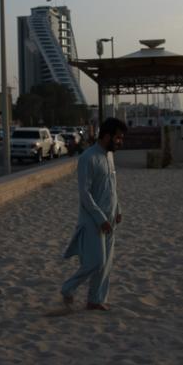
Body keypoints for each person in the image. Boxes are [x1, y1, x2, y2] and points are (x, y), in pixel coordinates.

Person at [60, 117, 127, 311]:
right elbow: (85, 194)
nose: (120, 142)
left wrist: (118, 210)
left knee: (106, 264)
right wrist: (100, 218)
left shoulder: (110, 156)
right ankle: (67, 288)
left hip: (110, 219)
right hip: (92, 221)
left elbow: (112, 187)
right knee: (95, 262)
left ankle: (95, 300)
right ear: (107, 136)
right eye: (118, 138)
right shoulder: (88, 158)